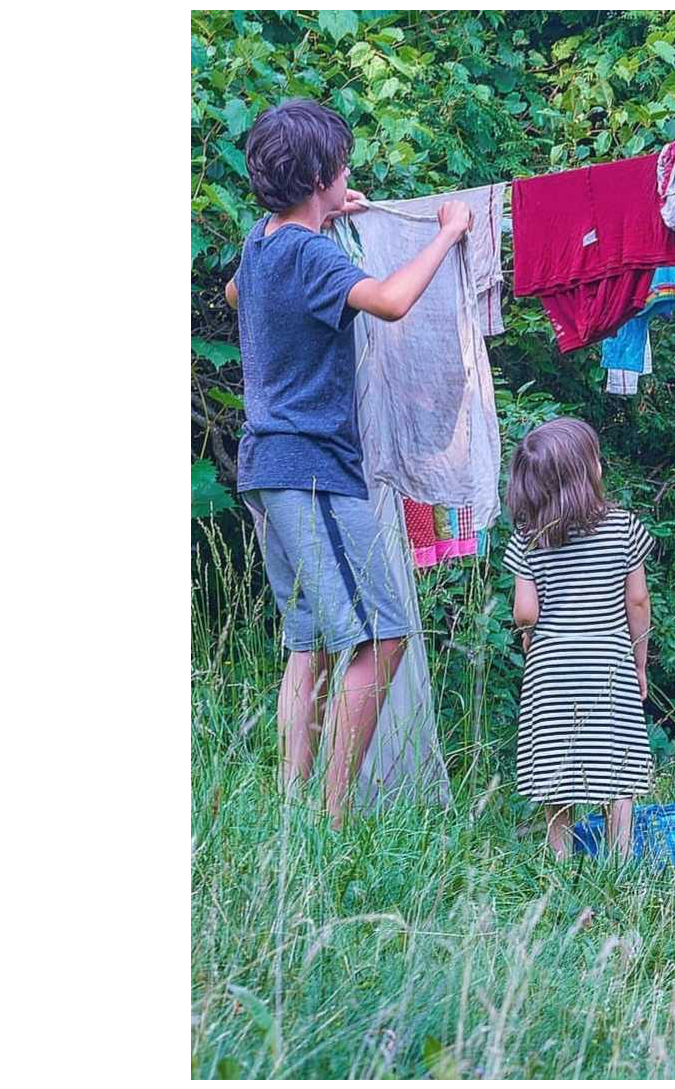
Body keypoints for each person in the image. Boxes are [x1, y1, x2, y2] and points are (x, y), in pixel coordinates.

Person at [223, 98, 473, 829]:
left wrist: (324, 215)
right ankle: (331, 822)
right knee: (380, 633)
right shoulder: (309, 253)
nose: (351, 173)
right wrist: (449, 233)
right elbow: (391, 301)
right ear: (320, 176)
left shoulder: (264, 243)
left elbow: (239, 292)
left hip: (266, 464)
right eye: (342, 166)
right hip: (312, 467)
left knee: (311, 640)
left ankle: (293, 811)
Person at [502, 418, 657, 860]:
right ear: (586, 473)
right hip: (610, 658)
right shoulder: (623, 527)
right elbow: (639, 601)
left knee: (556, 764)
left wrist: (532, 642)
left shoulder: (527, 540)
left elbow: (525, 611)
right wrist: (639, 662)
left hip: (551, 665)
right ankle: (621, 858)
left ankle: (559, 858)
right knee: (618, 762)